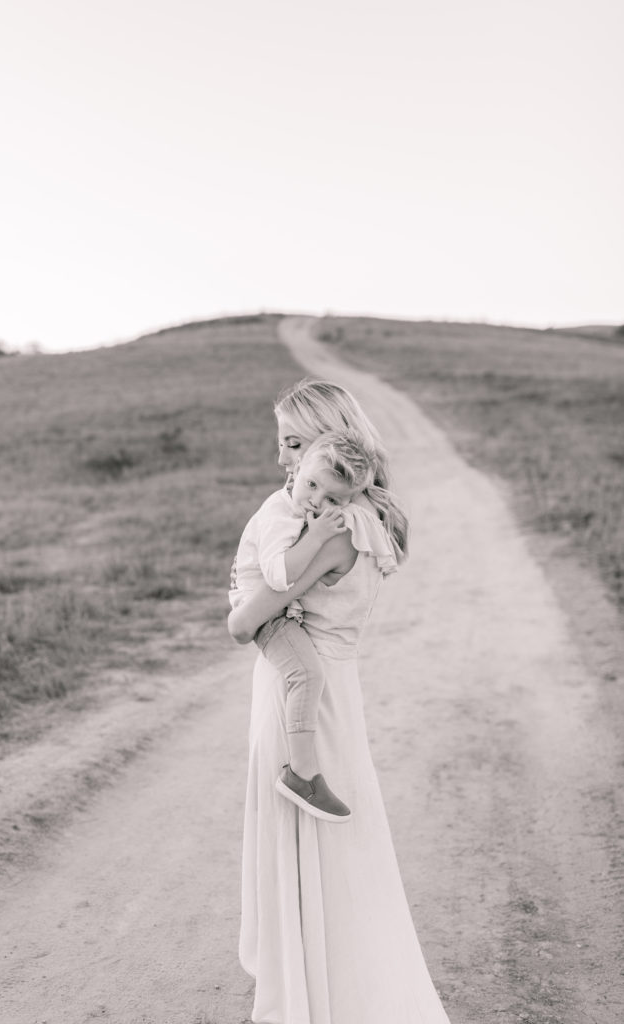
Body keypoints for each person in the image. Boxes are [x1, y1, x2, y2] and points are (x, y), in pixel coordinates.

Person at [228, 380, 452, 1024]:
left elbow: (245, 625)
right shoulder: (365, 518)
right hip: (335, 685)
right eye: (281, 445)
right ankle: (326, 988)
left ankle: (320, 1001)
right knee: (337, 852)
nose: (283, 461)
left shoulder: (333, 528)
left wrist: (239, 596)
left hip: (302, 692)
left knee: (310, 845)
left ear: (330, 439)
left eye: (295, 443)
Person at [230, 431, 398, 823]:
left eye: (333, 500)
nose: (317, 502)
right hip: (265, 613)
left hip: (278, 612)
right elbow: (278, 575)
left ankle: (303, 772)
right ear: (301, 471)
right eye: (311, 485)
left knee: (309, 673)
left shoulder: (319, 515)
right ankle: (302, 773)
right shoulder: (279, 512)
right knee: (306, 673)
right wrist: (319, 534)